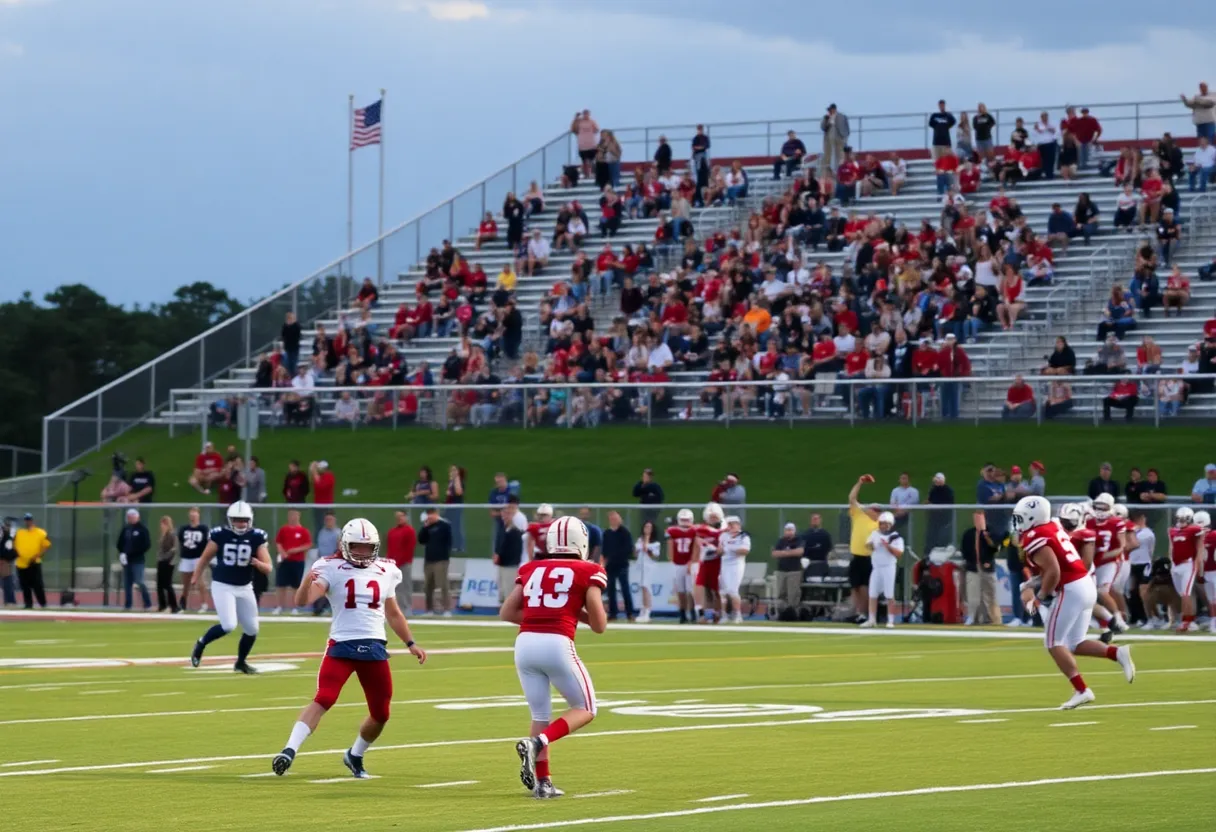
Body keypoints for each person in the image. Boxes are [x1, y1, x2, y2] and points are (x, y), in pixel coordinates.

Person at [271, 518, 426, 779]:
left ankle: (355, 754)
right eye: (357, 546)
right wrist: (307, 581)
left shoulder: (387, 569)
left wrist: (410, 643)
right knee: (324, 698)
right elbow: (304, 601)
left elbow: (394, 613)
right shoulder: (331, 567)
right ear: (344, 544)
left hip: (375, 647)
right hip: (341, 645)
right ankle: (289, 750)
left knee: (381, 714)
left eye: (368, 547)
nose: (363, 552)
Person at [502, 516, 607, 800]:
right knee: (586, 708)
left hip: (524, 645)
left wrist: (545, 616)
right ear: (581, 542)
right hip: (557, 643)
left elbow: (507, 612)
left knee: (539, 714)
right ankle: (538, 742)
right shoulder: (589, 569)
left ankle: (544, 782)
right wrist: (574, 615)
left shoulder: (532, 568)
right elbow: (599, 625)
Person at [1012, 496, 1135, 710]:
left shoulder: (1035, 536)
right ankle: (1117, 653)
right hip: (1084, 583)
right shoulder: (1050, 526)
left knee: (1053, 643)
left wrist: (1039, 598)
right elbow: (1055, 567)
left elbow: (1053, 572)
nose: (1018, 522)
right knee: (1074, 644)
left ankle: (1081, 690)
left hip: (1071, 589)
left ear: (1032, 517)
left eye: (1021, 518)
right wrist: (1029, 584)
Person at [188, 501, 272, 674]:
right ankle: (201, 643)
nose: (240, 524)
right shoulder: (220, 535)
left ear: (250, 520)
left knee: (252, 628)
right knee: (228, 625)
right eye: (236, 520)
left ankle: (240, 662)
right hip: (223, 585)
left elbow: (269, 566)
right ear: (229, 520)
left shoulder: (257, 537)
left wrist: (258, 563)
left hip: (245, 586)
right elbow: (204, 558)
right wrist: (195, 577)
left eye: (243, 520)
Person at [846, 475, 880, 624]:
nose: (874, 511)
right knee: (854, 586)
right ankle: (857, 611)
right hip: (856, 555)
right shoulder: (860, 515)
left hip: (868, 557)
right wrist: (859, 482)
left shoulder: (879, 524)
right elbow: (852, 498)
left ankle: (865, 613)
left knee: (865, 586)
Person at [861, 511, 903, 628]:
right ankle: (872, 619)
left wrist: (887, 546)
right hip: (876, 567)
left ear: (890, 524)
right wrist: (873, 545)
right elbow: (868, 545)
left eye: (885, 524)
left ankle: (890, 620)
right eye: (881, 523)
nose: (883, 526)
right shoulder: (875, 534)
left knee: (889, 594)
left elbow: (899, 553)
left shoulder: (895, 536)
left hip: (888, 567)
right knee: (872, 593)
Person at [1167, 506, 1204, 632]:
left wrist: (1199, 565)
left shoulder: (1194, 529)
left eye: (1184, 518)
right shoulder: (1172, 531)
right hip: (1175, 565)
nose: (1181, 520)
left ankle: (1187, 621)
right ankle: (1189, 619)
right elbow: (1171, 547)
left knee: (1186, 594)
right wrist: (1170, 561)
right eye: (1180, 518)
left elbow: (1200, 548)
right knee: (1182, 594)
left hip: (1188, 564)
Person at [273, 509, 312, 615]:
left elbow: (308, 545)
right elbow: (278, 542)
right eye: (291, 515)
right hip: (284, 561)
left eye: (295, 515)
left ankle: (295, 607)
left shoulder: (303, 531)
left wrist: (295, 550)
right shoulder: (283, 530)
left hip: (297, 561)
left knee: (296, 586)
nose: (293, 517)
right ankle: (280, 606)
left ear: (299, 516)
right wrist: (282, 553)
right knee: (281, 585)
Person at [665, 508, 701, 624]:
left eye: (687, 519)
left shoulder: (695, 531)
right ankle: (682, 614)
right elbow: (670, 546)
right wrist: (671, 560)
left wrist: (692, 561)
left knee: (690, 590)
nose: (685, 522)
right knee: (680, 590)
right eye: (683, 519)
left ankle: (692, 613)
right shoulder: (673, 531)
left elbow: (697, 547)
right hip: (677, 563)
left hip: (691, 563)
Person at [600, 511, 634, 622]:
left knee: (625, 589)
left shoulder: (625, 532)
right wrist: (603, 562)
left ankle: (630, 613)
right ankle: (613, 613)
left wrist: (618, 557)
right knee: (611, 590)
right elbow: (604, 550)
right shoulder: (607, 533)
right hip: (610, 566)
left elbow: (628, 549)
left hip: (622, 564)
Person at [694, 502, 725, 624]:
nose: (713, 519)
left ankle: (719, 614)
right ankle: (707, 614)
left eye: (715, 516)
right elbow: (697, 541)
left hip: (718, 562)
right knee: (704, 589)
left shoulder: (723, 530)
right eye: (711, 516)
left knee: (716, 590)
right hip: (705, 561)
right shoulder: (702, 529)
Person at [116, 508, 152, 611]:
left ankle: (147, 603)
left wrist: (134, 552)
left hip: (138, 560)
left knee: (139, 582)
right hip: (127, 561)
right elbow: (120, 543)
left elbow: (146, 545)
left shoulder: (142, 529)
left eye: (132, 516)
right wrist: (122, 553)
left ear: (137, 517)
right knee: (127, 584)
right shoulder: (126, 529)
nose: (130, 518)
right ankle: (128, 605)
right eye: (129, 516)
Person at [176, 507, 210, 613]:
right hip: (186, 557)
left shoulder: (203, 529)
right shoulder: (184, 529)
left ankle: (204, 604)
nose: (193, 516)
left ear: (198, 515)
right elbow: (180, 541)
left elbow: (208, 542)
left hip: (198, 557)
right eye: (191, 514)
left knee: (200, 582)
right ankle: (183, 604)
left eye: (195, 514)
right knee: (185, 584)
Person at [718, 516, 751, 624]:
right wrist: (721, 550)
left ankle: (738, 614)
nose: (732, 526)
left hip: (736, 565)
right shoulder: (723, 536)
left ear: (738, 524)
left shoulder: (743, 536)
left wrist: (730, 548)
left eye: (734, 523)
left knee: (733, 590)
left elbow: (745, 550)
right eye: (730, 524)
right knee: (723, 591)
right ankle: (724, 615)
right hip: (724, 565)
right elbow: (719, 551)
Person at [13, 514, 50, 609]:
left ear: (32, 521)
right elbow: (14, 545)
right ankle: (28, 604)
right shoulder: (20, 533)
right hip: (21, 563)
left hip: (34, 562)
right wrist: (17, 553)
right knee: (25, 585)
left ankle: (43, 604)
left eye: (29, 520)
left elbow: (46, 545)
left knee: (37, 584)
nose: (27, 522)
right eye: (26, 520)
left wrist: (38, 555)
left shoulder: (40, 532)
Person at [385, 511, 417, 612]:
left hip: (404, 563)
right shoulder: (392, 532)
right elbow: (389, 548)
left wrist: (402, 561)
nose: (399, 518)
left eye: (401, 516)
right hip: (393, 564)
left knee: (405, 585)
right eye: (398, 517)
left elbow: (409, 548)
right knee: (394, 587)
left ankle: (407, 608)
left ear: (406, 517)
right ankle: (396, 608)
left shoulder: (409, 531)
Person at [772, 523, 805, 617]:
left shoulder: (799, 540)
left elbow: (800, 552)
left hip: (794, 571)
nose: (789, 532)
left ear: (794, 531)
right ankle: (782, 613)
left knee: (793, 594)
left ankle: (793, 614)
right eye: (787, 530)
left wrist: (783, 553)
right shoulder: (780, 541)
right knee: (781, 593)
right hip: (781, 571)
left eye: (791, 530)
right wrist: (791, 553)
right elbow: (774, 554)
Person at [633, 520, 661, 623]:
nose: (647, 529)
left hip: (649, 566)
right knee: (641, 587)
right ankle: (642, 609)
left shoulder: (655, 543)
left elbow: (655, 555)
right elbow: (635, 554)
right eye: (646, 527)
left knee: (646, 587)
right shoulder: (640, 540)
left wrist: (647, 547)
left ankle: (648, 611)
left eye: (649, 527)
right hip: (640, 566)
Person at [155, 515, 179, 613]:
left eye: (163, 524)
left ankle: (173, 606)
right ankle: (162, 605)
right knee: (160, 584)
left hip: (168, 561)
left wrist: (166, 557)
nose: (162, 526)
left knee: (167, 584)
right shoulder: (163, 535)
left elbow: (174, 549)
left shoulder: (171, 535)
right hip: (161, 561)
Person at [443, 466, 466, 553]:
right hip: (449, 506)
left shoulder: (459, 481)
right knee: (450, 526)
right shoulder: (451, 482)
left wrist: (456, 478)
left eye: (454, 470)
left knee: (457, 526)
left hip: (456, 507)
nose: (451, 472)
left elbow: (458, 492)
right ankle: (452, 545)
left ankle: (459, 546)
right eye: (451, 470)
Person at [0, 517, 16, 606]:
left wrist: (6, 559)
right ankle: (9, 601)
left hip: (4, 561)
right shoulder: (6, 537)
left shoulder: (8, 537)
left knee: (7, 581)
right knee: (7, 581)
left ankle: (9, 601)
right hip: (3, 561)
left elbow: (10, 551)